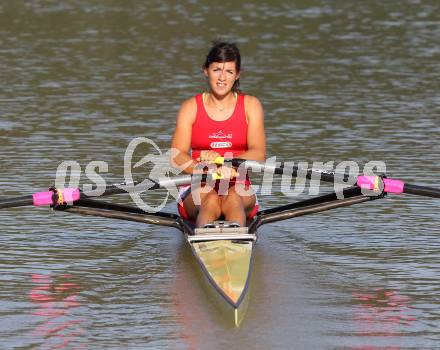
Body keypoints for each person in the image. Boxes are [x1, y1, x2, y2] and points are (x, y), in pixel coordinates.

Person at [170, 41, 266, 228]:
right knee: (211, 199)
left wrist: (227, 163)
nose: (222, 78)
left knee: (232, 199)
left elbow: (258, 153)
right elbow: (176, 155)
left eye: (229, 72)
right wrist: (205, 170)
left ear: (238, 74)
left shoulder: (251, 105)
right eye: (216, 70)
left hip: (237, 185)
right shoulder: (190, 107)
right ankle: (208, 243)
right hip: (198, 184)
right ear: (206, 70)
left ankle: (235, 246)